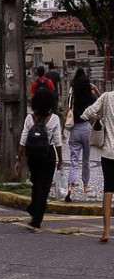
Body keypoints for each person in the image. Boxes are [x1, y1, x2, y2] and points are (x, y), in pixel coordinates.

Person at [20, 85, 63, 230]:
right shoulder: (55, 119)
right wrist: (60, 160)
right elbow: (57, 141)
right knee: (45, 187)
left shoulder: (29, 118)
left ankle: (33, 208)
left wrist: (19, 159)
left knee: (36, 182)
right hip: (48, 154)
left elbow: (23, 140)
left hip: (33, 155)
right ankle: (37, 218)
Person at [82, 86, 114, 243]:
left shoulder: (107, 97)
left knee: (108, 190)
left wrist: (99, 117)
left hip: (108, 153)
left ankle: (106, 231)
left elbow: (86, 113)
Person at [66, 69, 98, 202]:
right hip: (87, 128)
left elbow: (68, 105)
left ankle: (71, 187)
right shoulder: (89, 95)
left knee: (74, 160)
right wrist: (95, 89)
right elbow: (98, 104)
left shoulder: (73, 92)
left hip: (75, 129)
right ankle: (85, 186)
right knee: (86, 160)